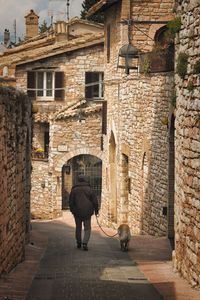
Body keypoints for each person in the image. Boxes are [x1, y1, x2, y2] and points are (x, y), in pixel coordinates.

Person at [69, 174, 99, 251]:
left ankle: (79, 242)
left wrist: (73, 210)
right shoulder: (89, 189)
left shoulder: (74, 190)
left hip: (77, 212)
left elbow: (70, 202)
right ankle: (85, 243)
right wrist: (96, 210)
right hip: (87, 212)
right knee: (87, 228)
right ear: (86, 180)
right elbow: (95, 201)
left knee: (78, 228)